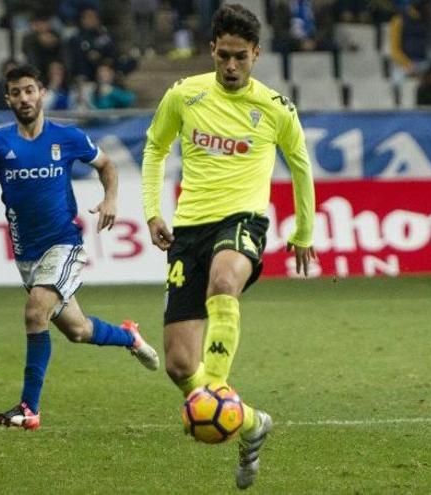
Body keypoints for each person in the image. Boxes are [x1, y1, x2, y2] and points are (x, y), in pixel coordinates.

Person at [141, 4, 316, 490]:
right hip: (188, 229)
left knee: (225, 281)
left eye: (241, 57)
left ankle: (216, 391)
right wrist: (152, 210)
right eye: (224, 56)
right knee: (178, 364)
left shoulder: (275, 108)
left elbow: (300, 166)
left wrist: (304, 231)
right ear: (212, 50)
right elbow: (155, 148)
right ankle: (250, 421)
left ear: (256, 54)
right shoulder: (185, 95)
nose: (232, 66)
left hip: (243, 220)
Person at [0, 64, 160, 431]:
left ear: (42, 93)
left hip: (64, 244)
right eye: (16, 92)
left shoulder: (67, 137)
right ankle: (129, 335)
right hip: (26, 253)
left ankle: (28, 408)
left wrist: (111, 199)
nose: (24, 98)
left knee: (36, 313)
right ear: (8, 98)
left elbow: (108, 166)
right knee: (78, 330)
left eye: (30, 90)